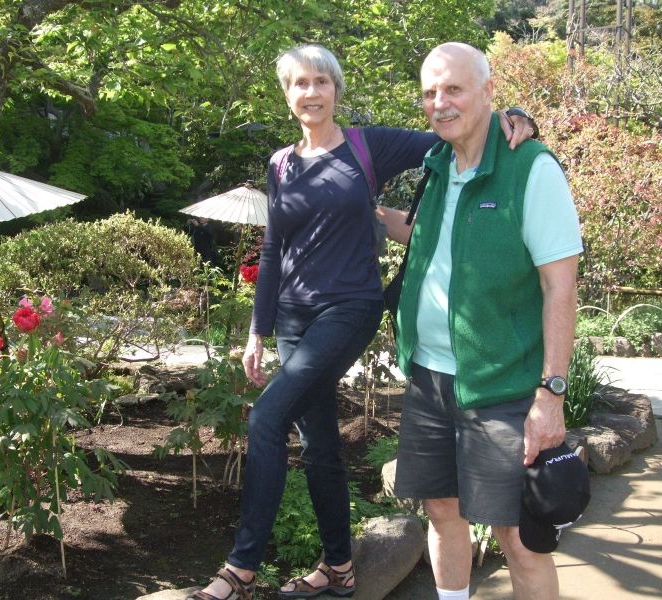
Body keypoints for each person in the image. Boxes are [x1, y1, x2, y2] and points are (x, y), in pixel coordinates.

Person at [187, 44, 536, 600]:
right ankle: (341, 568)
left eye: (321, 81)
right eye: (299, 83)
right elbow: (274, 248)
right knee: (320, 444)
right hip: (295, 319)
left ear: (336, 89)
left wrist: (512, 117)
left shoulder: (365, 145)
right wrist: (259, 329)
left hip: (349, 307)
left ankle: (241, 567)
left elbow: (455, 131)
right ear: (287, 93)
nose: (311, 92)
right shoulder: (280, 163)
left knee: (267, 418)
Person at [385, 42, 582, 600]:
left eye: (453, 89)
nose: (440, 103)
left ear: (489, 92)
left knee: (521, 539)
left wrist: (552, 393)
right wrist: (363, 215)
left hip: (505, 388)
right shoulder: (437, 163)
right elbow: (429, 236)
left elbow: (559, 284)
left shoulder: (530, 167)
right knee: (442, 510)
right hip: (428, 378)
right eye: (429, 93)